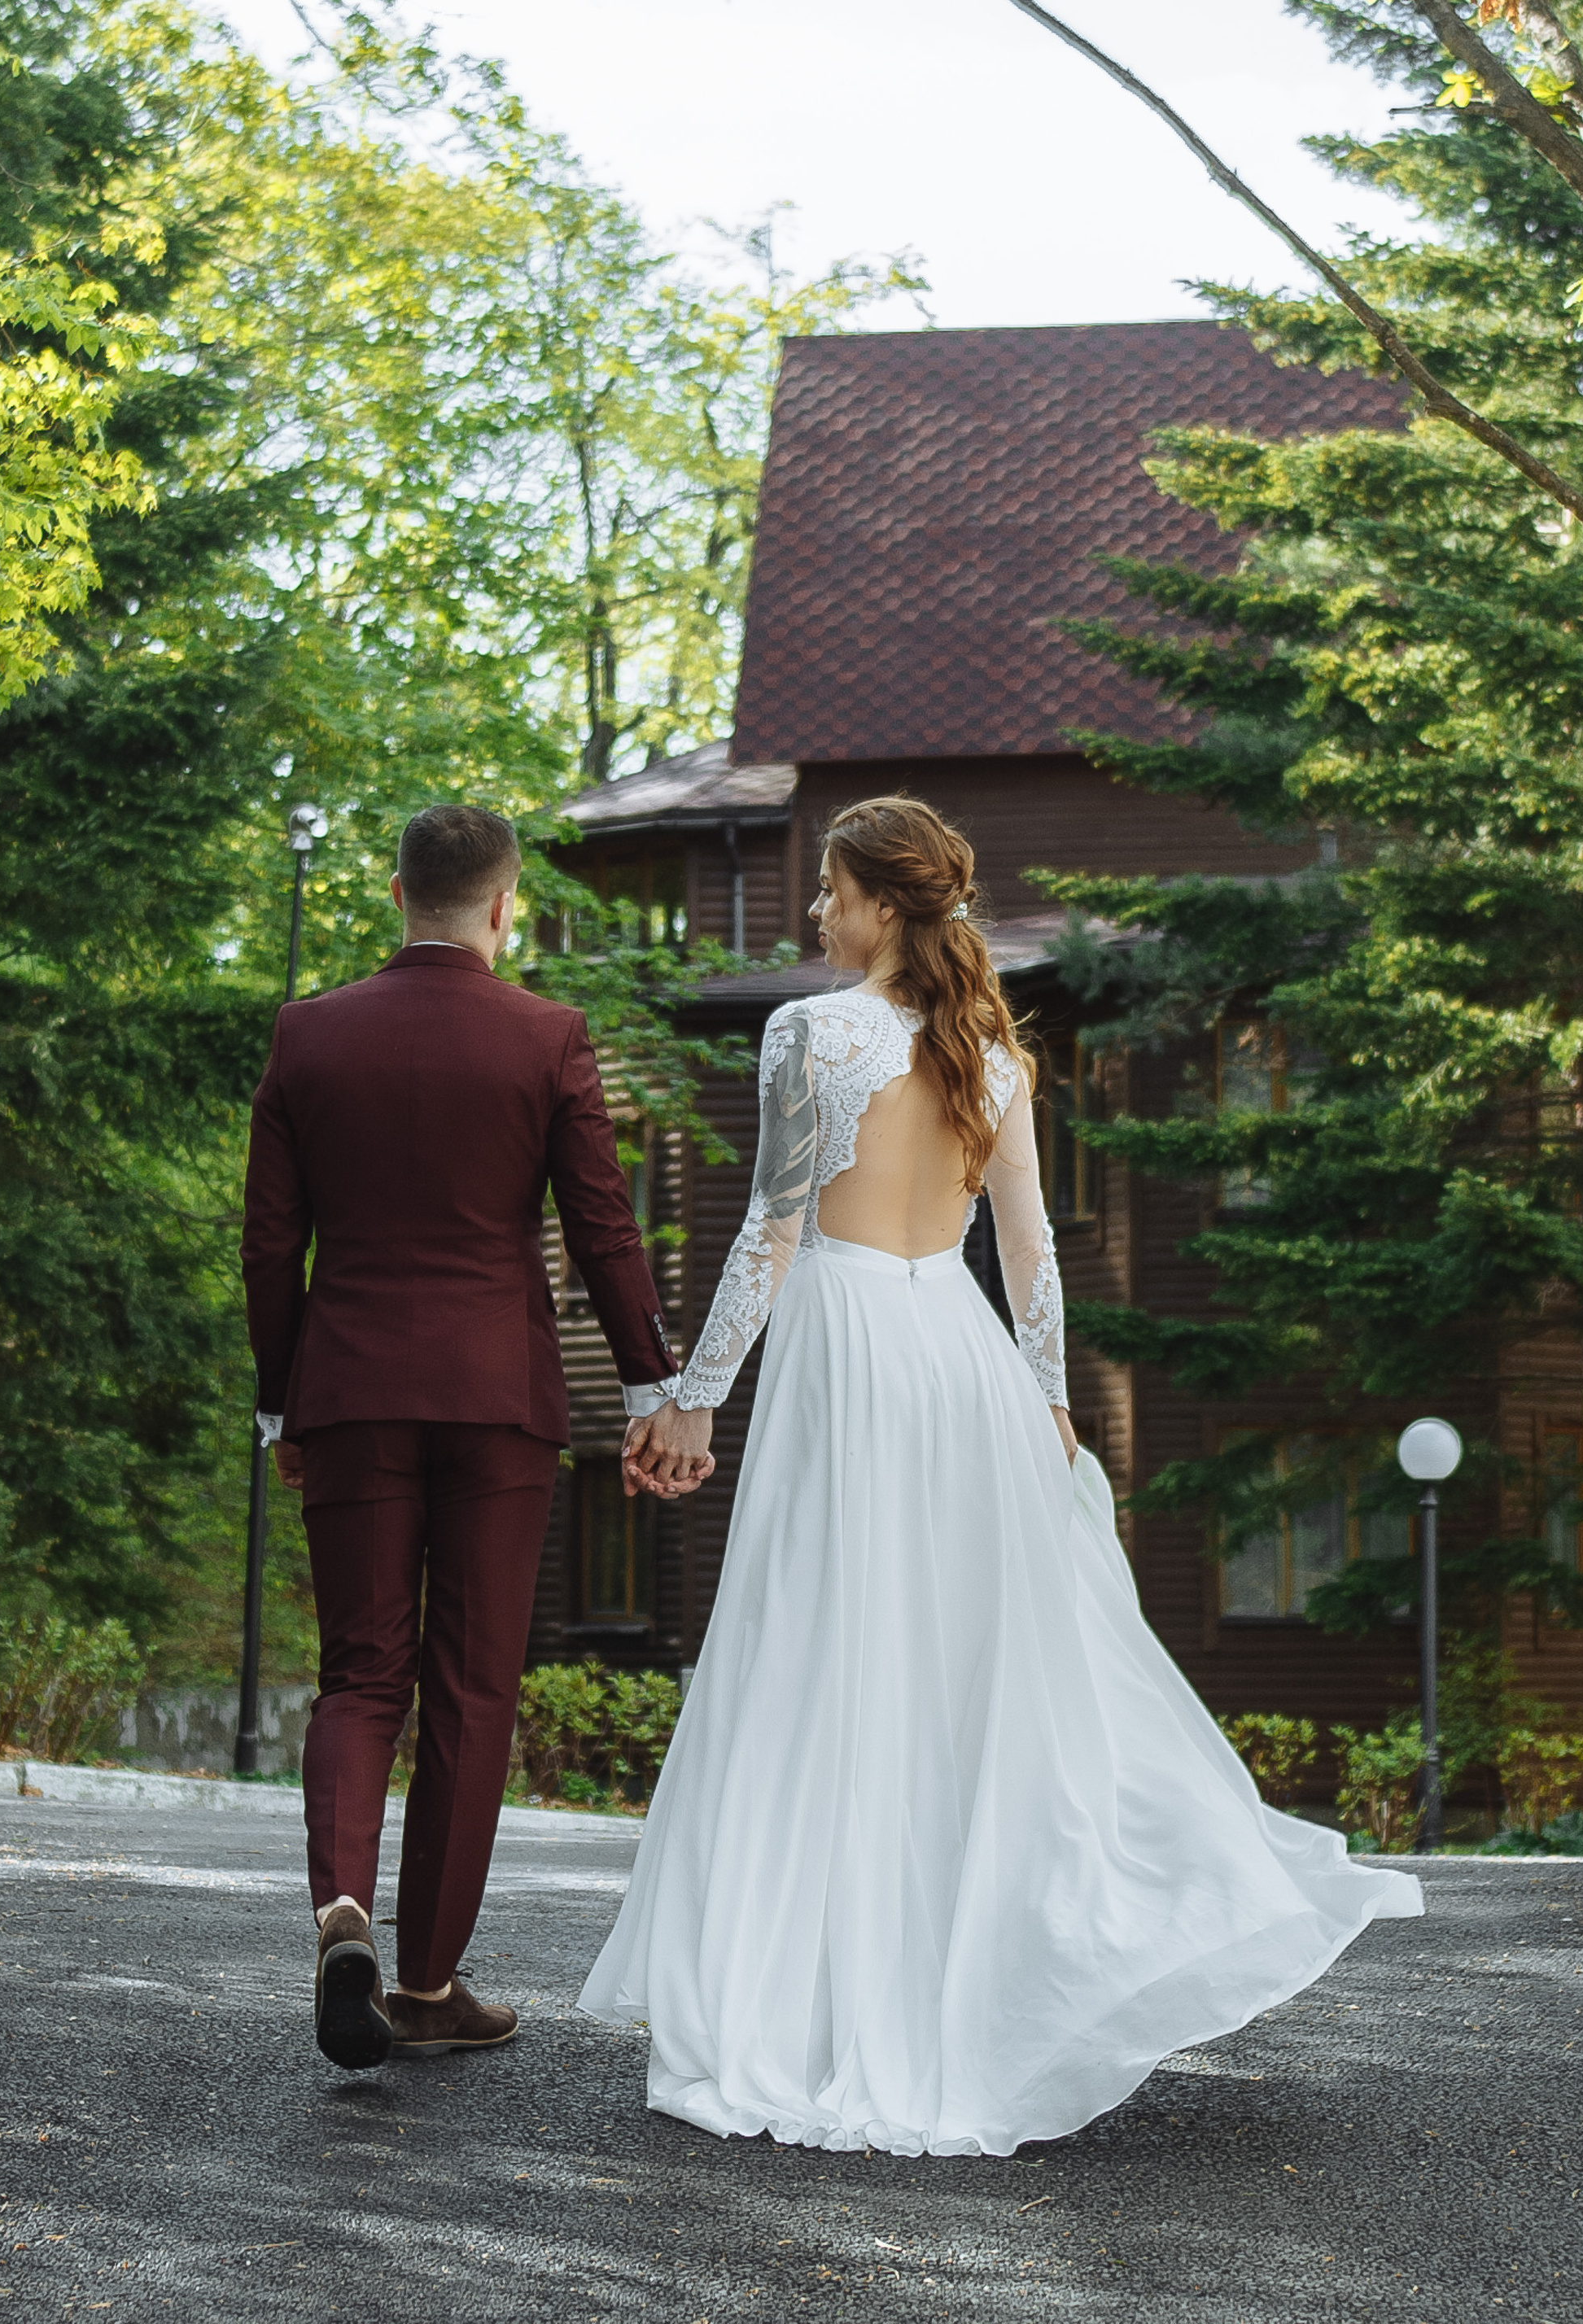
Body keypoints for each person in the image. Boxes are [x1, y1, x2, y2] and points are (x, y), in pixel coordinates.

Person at [585, 793, 1423, 2156]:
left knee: (824, 1654)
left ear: (886, 903)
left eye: (832, 891)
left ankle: (810, 2001)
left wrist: (694, 1398)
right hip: (962, 1361)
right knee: (955, 1668)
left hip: (849, 1354)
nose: (816, 912)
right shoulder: (994, 1053)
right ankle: (944, 1986)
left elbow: (773, 1234)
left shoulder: (812, 1032)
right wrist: (1047, 1403)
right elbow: (1028, 1250)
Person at [241, 802, 687, 2072]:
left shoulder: (310, 1036)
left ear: (396, 896)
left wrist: (284, 1397)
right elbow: (604, 1227)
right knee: (471, 1688)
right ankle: (428, 1983)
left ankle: (342, 1908)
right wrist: (653, 1382)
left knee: (360, 1675)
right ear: (506, 907)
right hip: (500, 1400)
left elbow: (272, 1243)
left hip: (352, 1390)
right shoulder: (547, 1036)